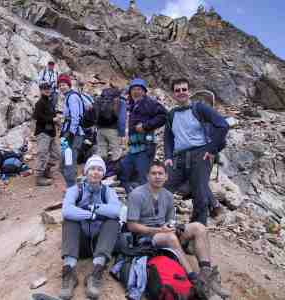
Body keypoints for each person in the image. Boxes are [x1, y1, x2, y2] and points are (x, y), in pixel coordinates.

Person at [126, 161, 230, 299]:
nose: (157, 176)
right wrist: (157, 230)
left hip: (165, 232)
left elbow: (170, 220)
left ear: (166, 177)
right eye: (153, 173)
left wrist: (174, 226)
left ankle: (206, 274)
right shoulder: (137, 194)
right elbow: (131, 225)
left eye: (160, 173)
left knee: (199, 227)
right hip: (146, 236)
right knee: (170, 237)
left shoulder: (168, 195)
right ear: (147, 176)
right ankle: (194, 280)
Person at [164, 78, 229, 225]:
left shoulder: (199, 108)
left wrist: (211, 149)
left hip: (200, 153)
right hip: (179, 156)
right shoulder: (172, 114)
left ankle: (198, 228)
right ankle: (164, 221)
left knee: (199, 192)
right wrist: (168, 156)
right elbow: (168, 136)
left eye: (184, 89)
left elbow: (223, 125)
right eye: (177, 90)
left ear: (189, 91)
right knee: (165, 186)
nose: (181, 92)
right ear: (173, 94)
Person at [60, 155, 121, 300]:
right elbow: (66, 210)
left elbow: (117, 211)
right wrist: (91, 215)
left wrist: (94, 208)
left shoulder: (108, 191)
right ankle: (69, 272)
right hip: (80, 245)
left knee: (113, 221)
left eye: (100, 169)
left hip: (99, 244)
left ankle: (96, 272)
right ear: (86, 172)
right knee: (70, 220)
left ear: (103, 173)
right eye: (92, 169)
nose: (95, 172)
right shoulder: (76, 189)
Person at [118, 78, 167, 193]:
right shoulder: (132, 104)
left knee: (143, 176)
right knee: (124, 172)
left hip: (146, 147)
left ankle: (148, 203)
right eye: (133, 89)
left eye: (139, 89)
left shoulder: (150, 103)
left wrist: (146, 126)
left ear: (144, 91)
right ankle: (132, 195)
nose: (136, 91)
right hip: (133, 147)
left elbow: (164, 116)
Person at [58, 74, 85, 188]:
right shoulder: (68, 97)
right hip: (66, 134)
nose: (61, 87)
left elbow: (75, 117)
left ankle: (72, 189)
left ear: (69, 85)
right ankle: (73, 186)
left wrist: (71, 132)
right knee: (63, 163)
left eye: (64, 84)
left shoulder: (72, 97)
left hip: (73, 134)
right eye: (59, 85)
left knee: (69, 162)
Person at [33, 82, 60, 186]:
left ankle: (46, 171)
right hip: (43, 132)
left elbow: (52, 117)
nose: (47, 90)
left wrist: (56, 121)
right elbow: (37, 117)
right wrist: (52, 119)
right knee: (42, 154)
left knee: (56, 154)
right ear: (41, 90)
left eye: (48, 88)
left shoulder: (50, 102)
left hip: (51, 132)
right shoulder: (39, 103)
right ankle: (39, 177)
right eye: (44, 89)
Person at [95, 87, 126, 176]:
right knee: (116, 153)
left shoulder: (100, 99)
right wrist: (122, 134)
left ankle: (101, 173)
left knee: (101, 152)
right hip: (113, 130)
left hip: (100, 129)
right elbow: (122, 119)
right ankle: (114, 174)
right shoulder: (121, 102)